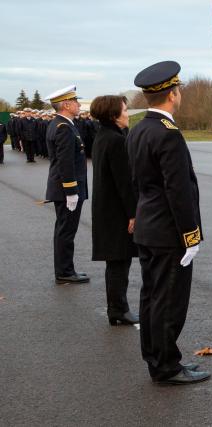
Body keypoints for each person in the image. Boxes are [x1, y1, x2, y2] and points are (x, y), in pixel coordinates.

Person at [127, 61, 209, 385]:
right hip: (168, 232)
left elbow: (138, 182)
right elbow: (179, 192)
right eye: (179, 90)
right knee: (169, 301)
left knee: (151, 298)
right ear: (173, 94)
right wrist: (191, 236)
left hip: (149, 226)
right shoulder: (168, 134)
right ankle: (166, 366)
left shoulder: (138, 130)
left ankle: (155, 356)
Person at [90, 95, 139, 326]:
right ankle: (118, 309)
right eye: (125, 110)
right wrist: (133, 213)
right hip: (116, 211)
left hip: (107, 209)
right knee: (120, 261)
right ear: (113, 115)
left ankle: (117, 308)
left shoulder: (105, 135)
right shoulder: (115, 140)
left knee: (117, 262)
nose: (128, 114)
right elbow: (124, 182)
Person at [43, 86, 90, 285]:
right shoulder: (63, 127)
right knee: (66, 231)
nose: (79, 105)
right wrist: (71, 191)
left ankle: (65, 269)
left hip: (63, 188)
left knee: (64, 230)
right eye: (76, 101)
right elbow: (65, 163)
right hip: (66, 190)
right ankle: (64, 272)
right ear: (66, 104)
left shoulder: (62, 124)